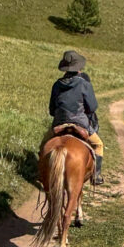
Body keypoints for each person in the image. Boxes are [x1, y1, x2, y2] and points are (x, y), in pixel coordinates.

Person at [48, 50, 104, 183]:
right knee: (98, 145)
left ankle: (40, 172)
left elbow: (52, 110)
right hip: (80, 124)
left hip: (59, 123)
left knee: (44, 145)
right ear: (78, 67)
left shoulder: (57, 84)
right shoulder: (84, 84)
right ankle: (96, 176)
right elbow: (92, 108)